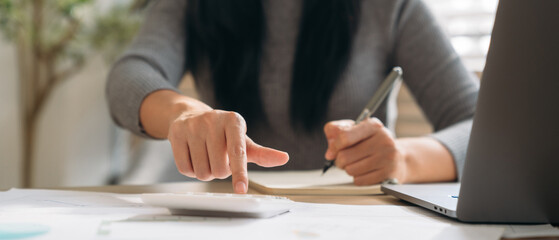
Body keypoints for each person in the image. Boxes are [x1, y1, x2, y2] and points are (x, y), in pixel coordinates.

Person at [107, 0, 479, 194]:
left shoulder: (389, 5)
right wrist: (181, 112)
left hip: (355, 223)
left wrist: (404, 161)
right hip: (232, 220)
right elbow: (129, 77)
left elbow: (481, 125)